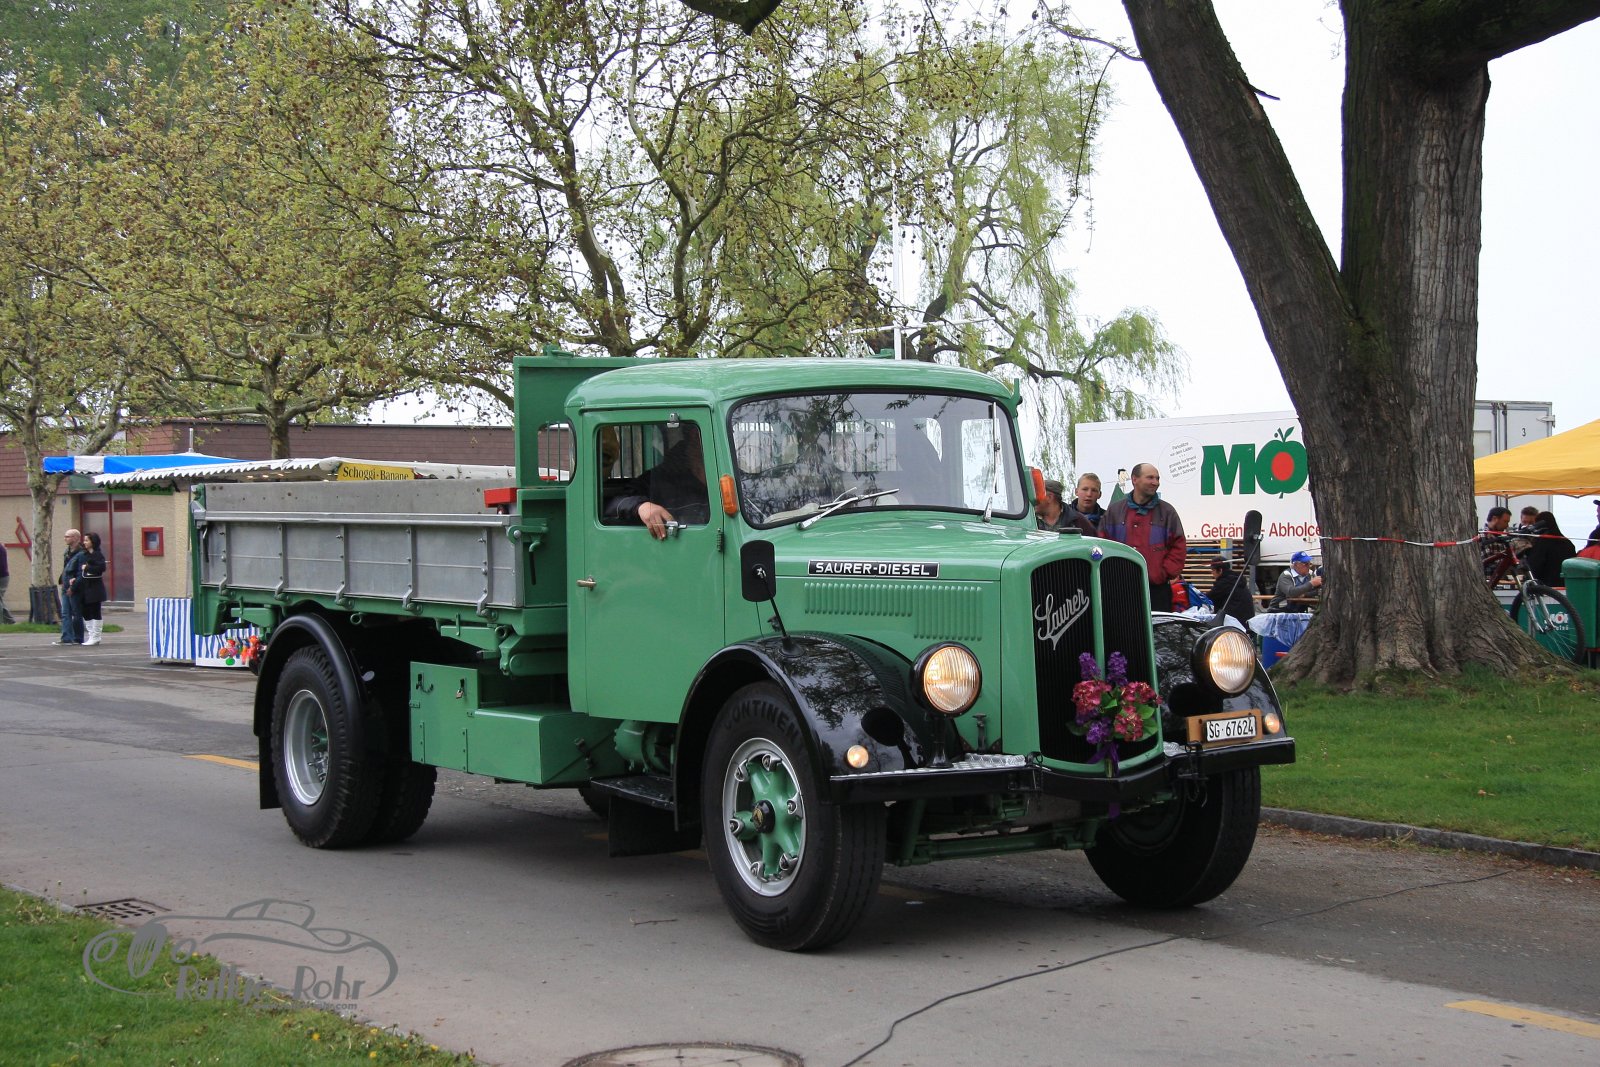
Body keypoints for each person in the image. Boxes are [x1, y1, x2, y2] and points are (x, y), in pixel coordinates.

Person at [1099, 463, 1187, 611]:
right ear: (1135, 479)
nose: (1155, 482)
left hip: (1156, 591)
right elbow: (1102, 543)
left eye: (1157, 478)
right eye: (1150, 478)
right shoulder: (1114, 511)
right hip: (1118, 589)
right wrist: (1112, 573)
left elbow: (1179, 546)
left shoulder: (1167, 512)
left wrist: (1162, 573)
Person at [605, 424, 711, 540]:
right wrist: (641, 507)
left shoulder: (723, 470)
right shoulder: (660, 478)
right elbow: (616, 502)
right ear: (695, 435)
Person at [1520, 510, 1576, 586]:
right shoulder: (1568, 543)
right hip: (1566, 586)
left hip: (1546, 587)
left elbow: (1534, 568)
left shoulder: (1542, 543)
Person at [52, 528, 85, 646]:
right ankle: (66, 637)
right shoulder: (67, 551)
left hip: (74, 587)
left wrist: (73, 586)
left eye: (68, 536)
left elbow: (80, 572)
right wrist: (62, 579)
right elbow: (66, 567)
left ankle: (78, 637)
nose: (65, 538)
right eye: (65, 536)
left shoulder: (81, 553)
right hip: (66, 585)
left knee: (76, 613)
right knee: (65, 612)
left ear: (75, 538)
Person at [76, 532, 108, 646]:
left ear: (93, 542)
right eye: (84, 540)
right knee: (85, 611)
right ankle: (91, 635)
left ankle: (96, 636)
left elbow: (101, 568)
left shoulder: (97, 554)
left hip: (95, 587)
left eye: (87, 540)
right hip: (84, 586)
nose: (84, 542)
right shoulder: (83, 554)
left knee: (95, 610)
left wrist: (87, 567)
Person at [1205, 556, 1255, 628]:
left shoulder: (1224, 583)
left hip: (1235, 624)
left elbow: (1208, 599)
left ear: (1220, 570)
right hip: (1246, 623)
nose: (1212, 572)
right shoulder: (1235, 580)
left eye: (1213, 570)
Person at [0, 544, 14, 625]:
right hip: (4, 576)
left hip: (1, 577)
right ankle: (9, 620)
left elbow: (1, 565)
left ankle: (1, 622)